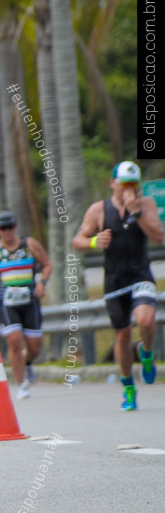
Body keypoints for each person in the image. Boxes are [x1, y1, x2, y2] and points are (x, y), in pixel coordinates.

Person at [71, 161, 164, 411]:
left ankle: (146, 352)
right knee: (122, 335)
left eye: (133, 184)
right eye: (124, 184)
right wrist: (93, 242)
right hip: (114, 280)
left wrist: (136, 212)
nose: (129, 189)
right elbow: (77, 240)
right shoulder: (98, 210)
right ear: (113, 183)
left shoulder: (145, 205)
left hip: (141, 275)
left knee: (145, 320)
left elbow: (157, 235)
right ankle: (128, 387)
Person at [0, 211, 52, 400]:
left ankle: (27, 362)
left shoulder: (29, 244)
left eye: (10, 227)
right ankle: (21, 384)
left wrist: (42, 283)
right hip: (6, 300)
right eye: (3, 228)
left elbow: (47, 264)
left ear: (15, 227)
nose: (7, 232)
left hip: (29, 298)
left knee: (35, 346)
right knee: (14, 341)